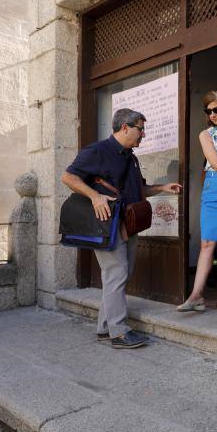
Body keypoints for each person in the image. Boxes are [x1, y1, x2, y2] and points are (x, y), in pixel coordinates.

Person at [62, 108, 182, 349]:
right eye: (141, 128)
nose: (144, 134)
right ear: (125, 127)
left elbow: (138, 190)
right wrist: (95, 196)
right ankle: (119, 332)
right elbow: (68, 177)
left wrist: (161, 188)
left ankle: (105, 329)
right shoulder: (97, 151)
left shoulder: (131, 156)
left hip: (128, 223)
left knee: (118, 276)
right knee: (116, 274)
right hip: (108, 223)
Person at [177, 90, 217, 312]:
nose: (212, 114)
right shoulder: (205, 134)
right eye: (208, 111)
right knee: (207, 243)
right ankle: (196, 295)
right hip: (215, 188)